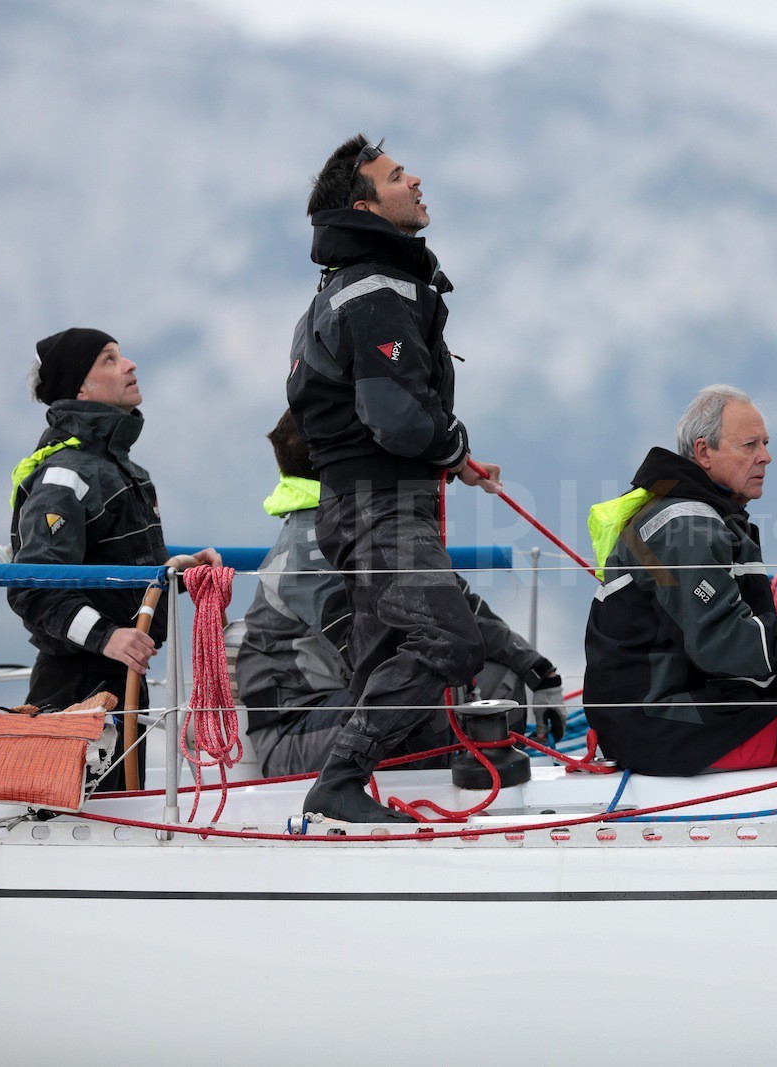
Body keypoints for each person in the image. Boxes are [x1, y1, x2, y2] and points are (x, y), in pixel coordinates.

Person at [287, 134, 503, 823]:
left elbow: (381, 417)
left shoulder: (357, 286)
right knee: (451, 640)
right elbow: (397, 421)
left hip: (368, 505)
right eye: (397, 175)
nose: (417, 180)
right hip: (380, 511)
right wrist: (453, 443)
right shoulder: (375, 290)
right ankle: (339, 783)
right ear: (364, 205)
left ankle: (345, 801)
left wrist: (452, 461)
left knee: (381, 654)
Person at [236, 411, 565, 777]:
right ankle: (421, 797)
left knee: (502, 681)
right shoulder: (308, 551)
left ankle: (482, 786)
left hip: (346, 712)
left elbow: (456, 608)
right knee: (425, 699)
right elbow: (372, 660)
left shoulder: (366, 521)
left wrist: (538, 670)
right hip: (297, 731)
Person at [583, 385, 777, 776]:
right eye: (749, 445)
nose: (766, 456)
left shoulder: (697, 515)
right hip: (663, 726)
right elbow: (723, 643)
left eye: (765, 443)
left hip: (663, 715)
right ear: (703, 453)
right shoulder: (686, 526)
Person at [8, 327, 220, 787]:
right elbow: (32, 587)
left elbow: (117, 570)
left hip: (119, 678)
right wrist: (108, 637)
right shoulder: (65, 475)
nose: (129, 366)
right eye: (109, 359)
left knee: (119, 818)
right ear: (80, 387)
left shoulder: (118, 470)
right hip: (74, 686)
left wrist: (175, 573)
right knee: (81, 827)